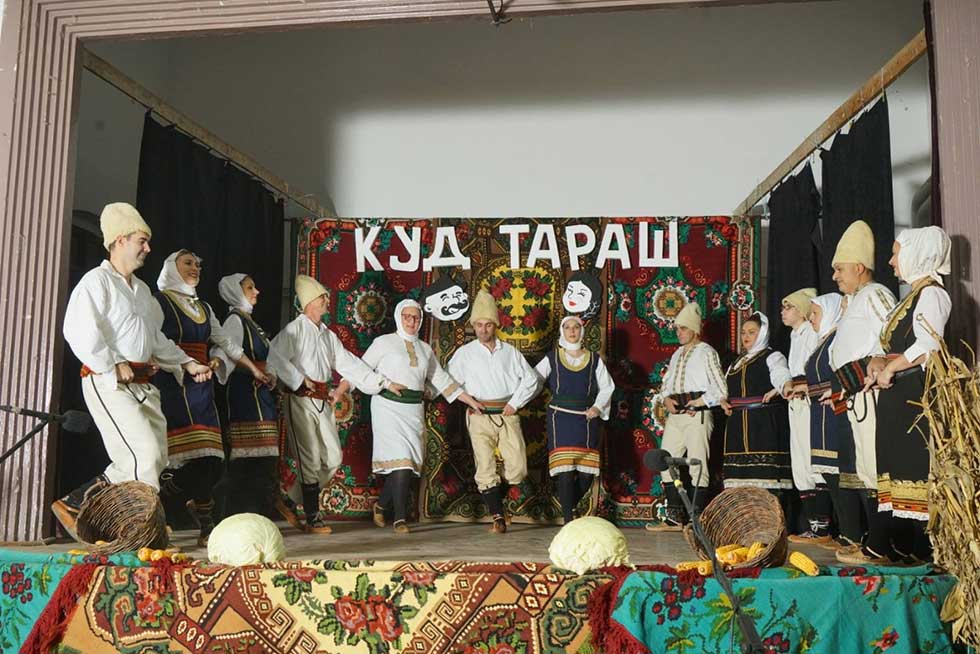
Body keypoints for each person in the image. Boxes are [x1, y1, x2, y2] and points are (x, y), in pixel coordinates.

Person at [54, 203, 212, 538]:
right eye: (142, 240)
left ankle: (76, 502)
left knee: (155, 458)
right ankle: (142, 533)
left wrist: (186, 362)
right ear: (120, 240)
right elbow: (78, 330)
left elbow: (155, 338)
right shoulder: (96, 282)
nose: (148, 248)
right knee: (144, 454)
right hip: (107, 382)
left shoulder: (141, 291)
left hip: (143, 384)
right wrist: (113, 362)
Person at [846, 226, 952, 564]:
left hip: (914, 394)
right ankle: (899, 545)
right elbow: (895, 346)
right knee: (894, 466)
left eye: (896, 254)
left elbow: (929, 344)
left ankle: (921, 549)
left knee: (913, 466)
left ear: (918, 254)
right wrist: (879, 364)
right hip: (897, 393)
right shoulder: (912, 296)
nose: (891, 262)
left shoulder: (932, 294)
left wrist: (891, 368)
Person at [268, 275, 404, 534]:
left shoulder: (327, 335)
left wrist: (384, 382)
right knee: (309, 457)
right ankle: (312, 517)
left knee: (333, 457)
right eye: (322, 298)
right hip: (299, 400)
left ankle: (290, 499)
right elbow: (274, 358)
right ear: (309, 302)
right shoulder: (294, 331)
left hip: (322, 400)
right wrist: (299, 378)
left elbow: (349, 363)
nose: (326, 301)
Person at [152, 250, 270, 546]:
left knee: (212, 460)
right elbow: (153, 339)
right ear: (171, 268)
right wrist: (184, 363)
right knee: (180, 459)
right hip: (173, 382)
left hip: (201, 385)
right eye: (188, 263)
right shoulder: (159, 301)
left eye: (197, 264)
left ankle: (201, 518)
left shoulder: (203, 307)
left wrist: (253, 369)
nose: (195, 268)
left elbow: (226, 342)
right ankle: (166, 514)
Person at [356, 299, 483, 534]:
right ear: (399, 317)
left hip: (413, 409)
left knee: (406, 463)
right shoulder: (383, 343)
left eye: (416, 317)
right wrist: (364, 386)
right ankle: (400, 518)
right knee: (402, 461)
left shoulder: (425, 349)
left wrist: (471, 401)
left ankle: (381, 505)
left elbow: (442, 380)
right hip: (387, 407)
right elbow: (359, 370)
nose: (411, 321)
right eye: (407, 316)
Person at [827, 220, 897, 563]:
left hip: (873, 392)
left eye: (839, 269)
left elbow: (893, 334)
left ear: (858, 267)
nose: (835, 276)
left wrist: (878, 360)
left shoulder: (876, 294)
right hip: (856, 394)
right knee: (867, 468)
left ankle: (882, 545)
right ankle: (875, 540)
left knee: (877, 467)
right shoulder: (855, 300)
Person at [447, 290, 540, 534]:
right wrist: (469, 401)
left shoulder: (510, 352)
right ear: (473, 326)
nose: (483, 329)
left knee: (518, 468)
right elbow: (447, 382)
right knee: (485, 465)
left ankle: (497, 500)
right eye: (479, 325)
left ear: (496, 325)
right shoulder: (465, 354)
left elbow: (531, 379)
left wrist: (515, 403)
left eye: (488, 324)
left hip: (506, 413)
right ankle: (498, 516)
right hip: (479, 416)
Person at [646, 302, 726, 531]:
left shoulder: (707, 352)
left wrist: (699, 402)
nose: (678, 333)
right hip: (677, 417)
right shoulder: (677, 354)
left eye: (683, 328)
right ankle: (674, 517)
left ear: (694, 329)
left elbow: (721, 388)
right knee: (666, 461)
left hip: (696, 415)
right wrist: (666, 399)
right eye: (677, 329)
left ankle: (696, 519)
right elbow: (666, 384)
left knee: (697, 464)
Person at [533, 315, 615, 523]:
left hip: (586, 418)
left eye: (576, 327)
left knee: (586, 475)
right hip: (560, 418)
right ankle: (569, 519)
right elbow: (533, 380)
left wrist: (597, 407)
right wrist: (515, 399)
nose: (572, 331)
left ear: (581, 331)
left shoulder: (594, 359)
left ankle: (568, 506)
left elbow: (607, 387)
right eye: (568, 327)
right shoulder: (552, 358)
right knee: (566, 470)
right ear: (562, 331)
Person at [212, 273, 280, 517]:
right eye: (250, 287)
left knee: (264, 458)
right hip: (245, 395)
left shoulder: (250, 321)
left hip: (260, 394)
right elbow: (225, 351)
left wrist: (270, 373)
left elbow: (267, 357)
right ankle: (236, 515)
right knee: (247, 460)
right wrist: (252, 370)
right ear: (235, 291)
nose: (257, 291)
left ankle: (259, 513)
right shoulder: (235, 320)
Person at [805, 293, 862, 550]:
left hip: (835, 409)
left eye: (815, 313)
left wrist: (835, 392)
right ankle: (847, 533)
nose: (811, 318)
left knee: (841, 474)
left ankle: (853, 533)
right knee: (829, 475)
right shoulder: (824, 340)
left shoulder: (837, 338)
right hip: (820, 412)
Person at [780, 288, 832, 544]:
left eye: (788, 307)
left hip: (810, 400)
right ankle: (813, 524)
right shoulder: (794, 336)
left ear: (801, 310)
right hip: (797, 402)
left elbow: (816, 369)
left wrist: (804, 387)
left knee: (814, 461)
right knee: (800, 462)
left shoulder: (811, 333)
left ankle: (824, 526)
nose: (783, 312)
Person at [720, 312, 793, 494]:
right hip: (737, 427)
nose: (746, 336)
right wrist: (722, 400)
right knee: (739, 483)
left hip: (763, 424)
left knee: (766, 480)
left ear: (762, 334)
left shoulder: (772, 356)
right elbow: (723, 389)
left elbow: (781, 374)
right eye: (743, 332)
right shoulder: (735, 363)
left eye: (752, 332)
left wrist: (783, 386)